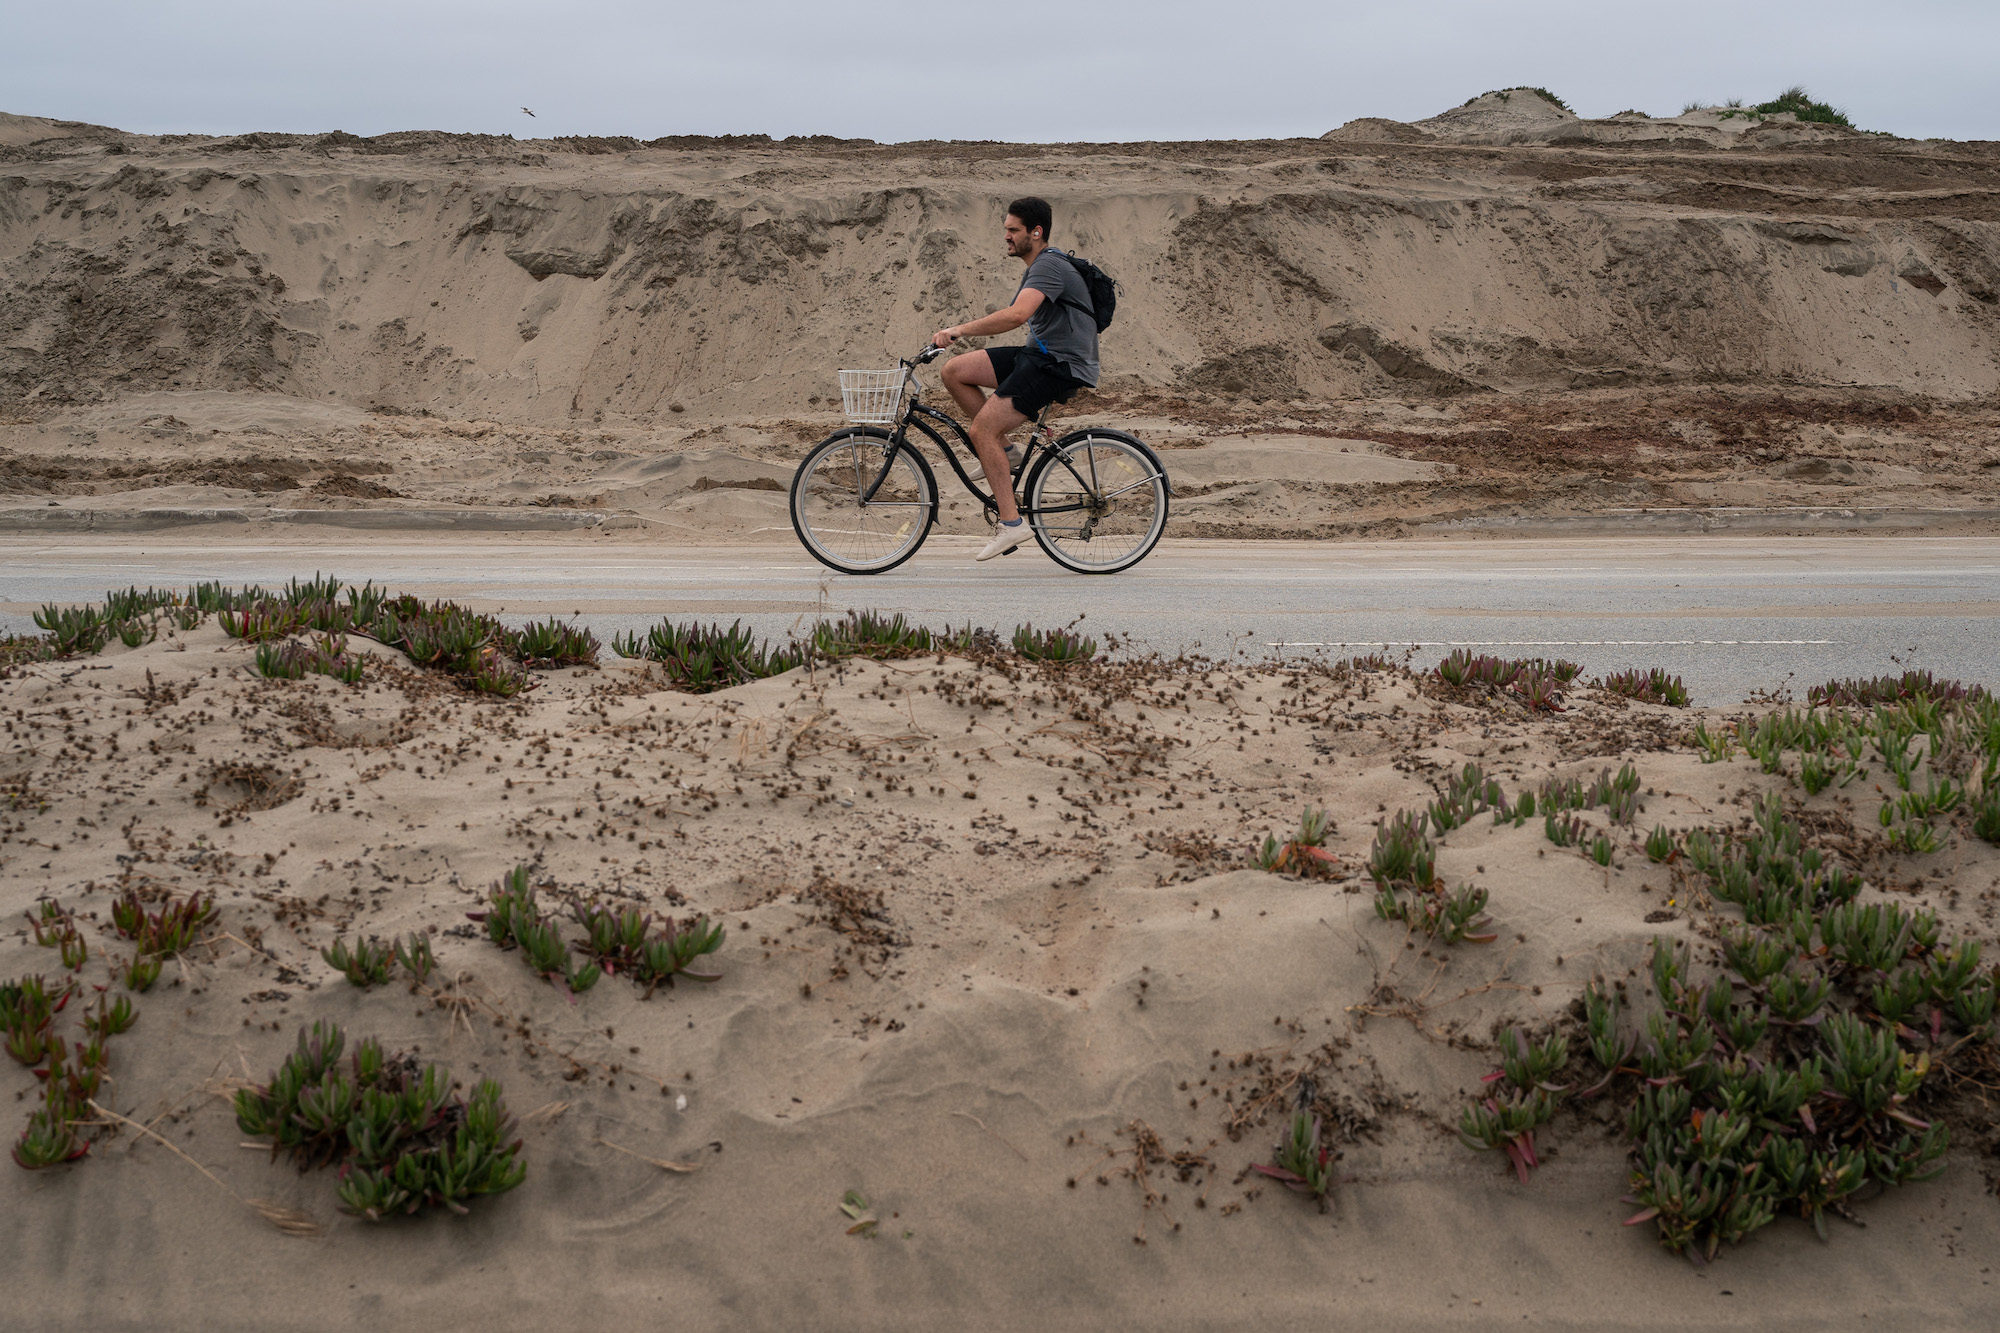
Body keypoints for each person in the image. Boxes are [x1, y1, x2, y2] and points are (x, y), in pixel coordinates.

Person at [931, 196, 1098, 562]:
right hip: (1037, 356)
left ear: (1035, 232)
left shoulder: (1048, 266)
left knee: (981, 432)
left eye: (1013, 230)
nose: (1005, 236)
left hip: (1060, 365)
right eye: (1005, 229)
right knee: (955, 371)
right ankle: (1007, 451)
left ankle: (1012, 524)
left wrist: (958, 330)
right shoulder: (1038, 266)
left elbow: (1016, 316)